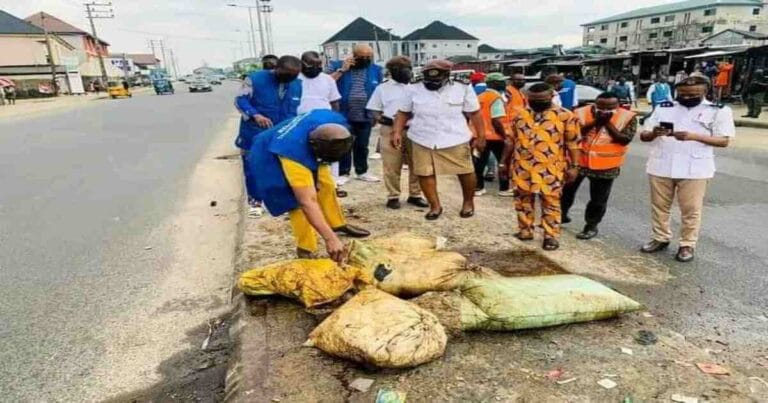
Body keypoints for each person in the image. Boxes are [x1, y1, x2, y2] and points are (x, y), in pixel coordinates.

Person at [247, 109, 370, 261]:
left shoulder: (335, 122)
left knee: (326, 184)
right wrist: (330, 239)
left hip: (306, 141)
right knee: (295, 202)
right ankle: (306, 248)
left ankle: (337, 224)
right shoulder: (293, 154)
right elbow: (307, 201)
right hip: (269, 152)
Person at [639, 74, 734, 262]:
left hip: (695, 168)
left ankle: (687, 244)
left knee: (691, 209)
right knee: (659, 206)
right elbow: (644, 135)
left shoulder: (718, 110)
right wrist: (654, 133)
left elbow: (724, 141)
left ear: (705, 92)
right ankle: (660, 238)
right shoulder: (664, 107)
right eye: (683, 94)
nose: (687, 97)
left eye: (693, 94)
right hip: (661, 164)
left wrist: (693, 136)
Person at [392, 59, 486, 220]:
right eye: (429, 80)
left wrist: (481, 136)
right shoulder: (413, 87)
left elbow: (475, 113)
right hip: (422, 137)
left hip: (454, 137)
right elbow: (403, 112)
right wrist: (396, 132)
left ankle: (468, 203)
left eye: (437, 80)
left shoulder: (462, 86)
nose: (432, 84)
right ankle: (435, 206)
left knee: (465, 171)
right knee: (424, 172)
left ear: (447, 75)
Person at [500, 83, 582, 251]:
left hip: (550, 168)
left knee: (550, 202)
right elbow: (510, 140)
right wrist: (503, 163)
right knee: (522, 201)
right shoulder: (520, 115)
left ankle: (550, 236)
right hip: (522, 167)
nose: (537, 103)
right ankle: (525, 230)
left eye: (542, 100)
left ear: (551, 97)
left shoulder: (566, 116)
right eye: (533, 100)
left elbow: (573, 143)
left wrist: (574, 166)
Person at [561, 92, 637, 239]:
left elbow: (624, 140)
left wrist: (606, 123)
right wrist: (595, 122)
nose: (605, 110)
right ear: (595, 103)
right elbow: (573, 133)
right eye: (601, 106)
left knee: (598, 200)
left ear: (618, 105)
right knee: (566, 192)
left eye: (610, 107)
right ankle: (561, 215)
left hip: (606, 165)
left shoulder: (628, 117)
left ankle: (591, 226)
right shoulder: (580, 112)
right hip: (578, 161)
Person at [235, 55, 303, 218]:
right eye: (286, 75)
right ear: (276, 68)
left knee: (280, 168)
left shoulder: (297, 84)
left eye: (293, 76)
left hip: (282, 133)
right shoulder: (254, 79)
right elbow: (240, 101)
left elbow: (295, 109)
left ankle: (281, 202)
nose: (289, 79)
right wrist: (255, 115)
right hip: (254, 132)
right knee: (253, 168)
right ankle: (255, 202)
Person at [366, 56, 428, 210]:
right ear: (393, 71)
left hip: (415, 129)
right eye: (403, 69)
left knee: (417, 163)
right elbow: (374, 109)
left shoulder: (419, 87)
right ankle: (393, 196)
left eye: (408, 68)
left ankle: (415, 194)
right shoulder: (382, 88)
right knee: (391, 164)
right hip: (390, 129)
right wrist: (384, 120)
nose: (407, 72)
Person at [328, 44, 384, 183]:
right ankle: (343, 172)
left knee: (362, 145)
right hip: (343, 114)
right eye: (361, 57)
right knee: (344, 144)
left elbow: (379, 92)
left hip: (365, 114)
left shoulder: (376, 70)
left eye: (368, 57)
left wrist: (377, 113)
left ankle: (362, 171)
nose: (365, 59)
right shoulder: (337, 65)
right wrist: (342, 70)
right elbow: (326, 83)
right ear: (353, 56)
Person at [473, 72, 510, 197]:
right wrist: (504, 135)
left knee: (479, 163)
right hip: (495, 136)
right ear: (494, 83)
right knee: (503, 162)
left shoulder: (480, 96)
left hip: (479, 135)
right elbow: (496, 120)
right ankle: (504, 189)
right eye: (502, 82)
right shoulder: (496, 98)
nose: (504, 84)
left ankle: (479, 187)